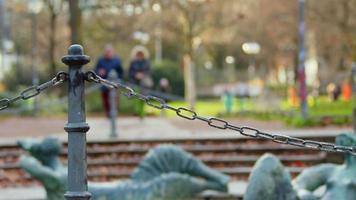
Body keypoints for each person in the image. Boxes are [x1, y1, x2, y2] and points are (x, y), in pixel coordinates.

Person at [18, 137, 230, 200]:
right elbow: (25, 163)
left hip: (129, 188)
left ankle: (218, 179)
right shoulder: (57, 180)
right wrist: (32, 148)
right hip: (138, 196)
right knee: (174, 182)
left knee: (165, 153)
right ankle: (215, 184)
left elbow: (27, 162)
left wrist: (32, 148)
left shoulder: (59, 175)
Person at [95, 44, 124, 117]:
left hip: (114, 84)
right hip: (104, 83)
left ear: (112, 52)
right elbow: (96, 71)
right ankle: (107, 114)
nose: (108, 53)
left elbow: (121, 72)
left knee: (115, 99)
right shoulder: (100, 60)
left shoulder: (117, 60)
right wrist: (99, 72)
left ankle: (114, 114)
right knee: (105, 100)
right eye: (106, 51)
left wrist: (118, 79)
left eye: (109, 51)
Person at [128, 46, 152, 118]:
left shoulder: (147, 62)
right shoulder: (133, 62)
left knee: (143, 98)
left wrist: (143, 75)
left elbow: (149, 72)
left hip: (144, 83)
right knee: (135, 97)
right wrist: (136, 75)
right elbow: (130, 72)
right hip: (134, 82)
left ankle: (142, 113)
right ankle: (136, 111)